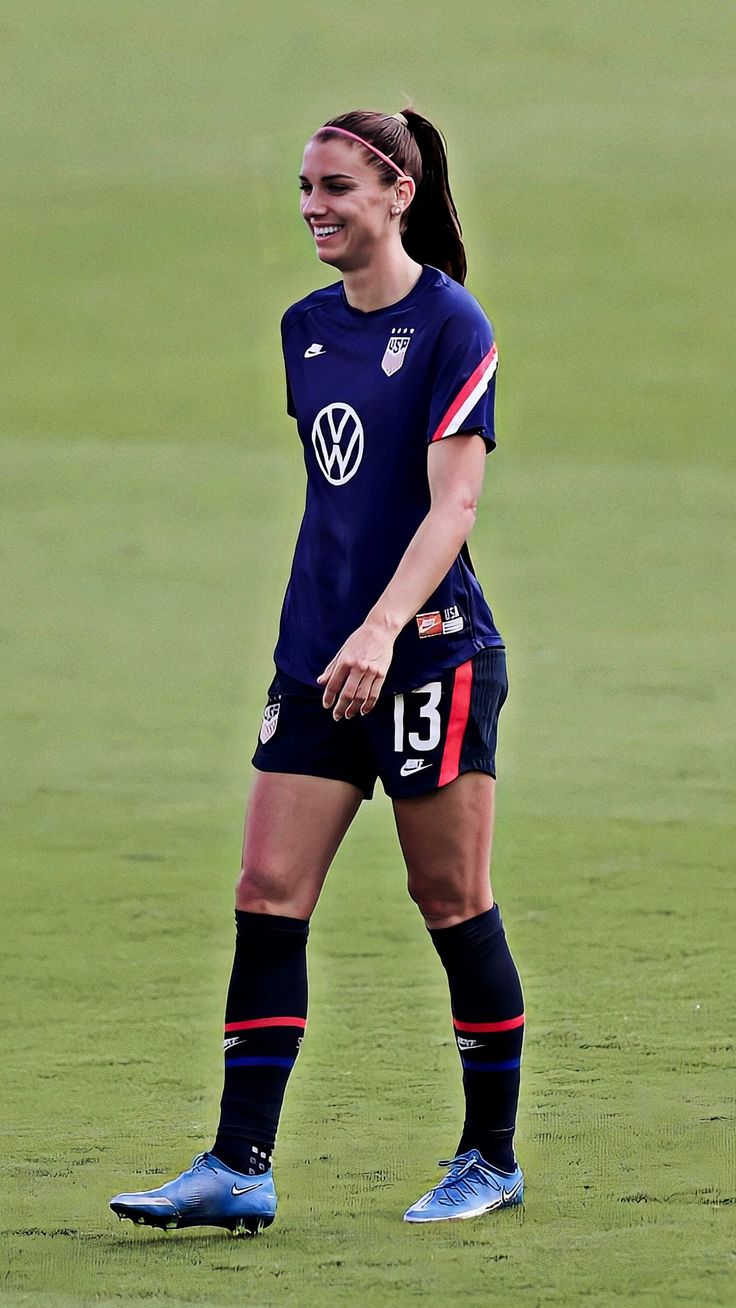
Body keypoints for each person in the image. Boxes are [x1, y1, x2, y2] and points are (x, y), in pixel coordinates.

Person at [110, 107, 525, 1235]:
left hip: (429, 653)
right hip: (317, 660)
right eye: (303, 186)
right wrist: (334, 635)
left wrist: (383, 629)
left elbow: (454, 504)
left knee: (449, 902)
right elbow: (340, 499)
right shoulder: (303, 328)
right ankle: (239, 1165)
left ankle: (489, 1158)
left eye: (336, 187)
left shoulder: (452, 325)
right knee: (266, 896)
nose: (311, 207)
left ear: (397, 191)